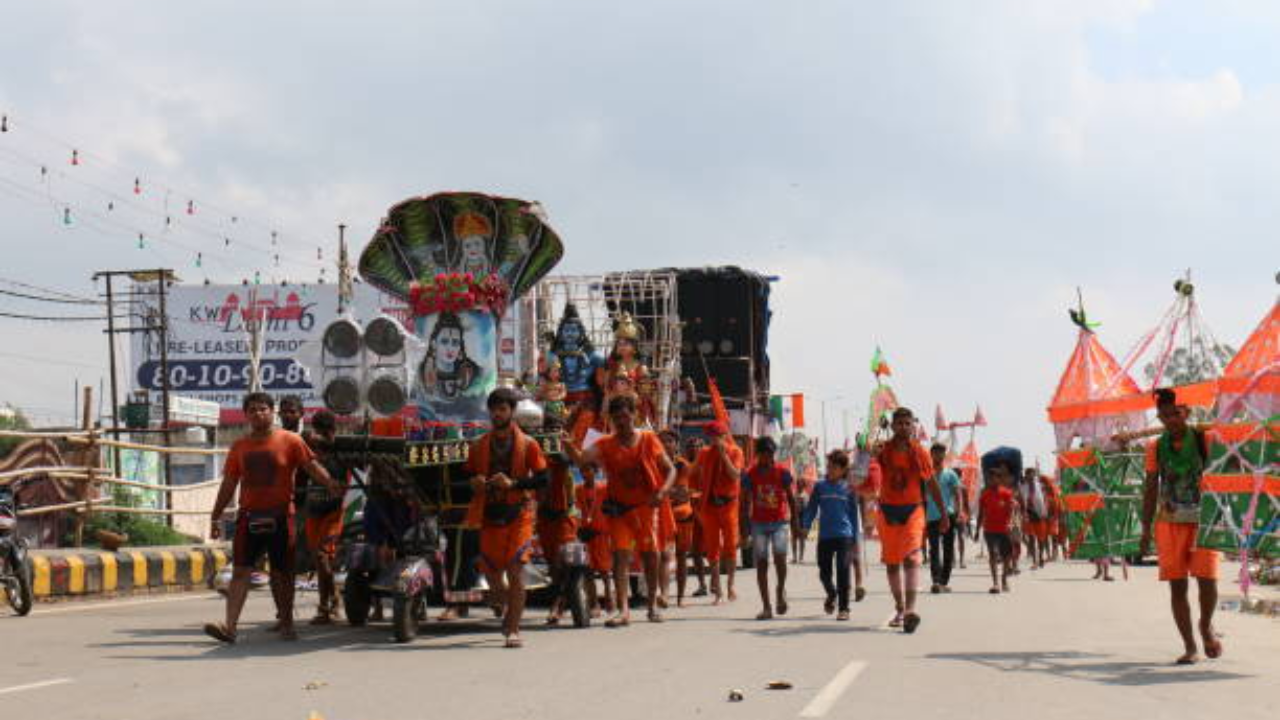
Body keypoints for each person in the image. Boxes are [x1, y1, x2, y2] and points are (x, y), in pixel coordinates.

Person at [204, 392, 340, 643]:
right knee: (241, 572)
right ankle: (230, 627)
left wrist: (330, 483)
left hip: (281, 517)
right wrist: (215, 516)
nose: (258, 413)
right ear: (246, 415)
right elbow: (229, 483)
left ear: (272, 411)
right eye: (253, 410)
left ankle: (287, 623)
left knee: (282, 573)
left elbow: (310, 466)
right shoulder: (239, 446)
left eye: (263, 409)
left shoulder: (290, 440)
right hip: (248, 517)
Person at [577, 394, 677, 626]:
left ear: (634, 414)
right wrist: (569, 444)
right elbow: (582, 459)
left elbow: (670, 469)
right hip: (619, 510)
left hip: (646, 508)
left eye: (625, 415)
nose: (622, 421)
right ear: (611, 419)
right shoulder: (605, 444)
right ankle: (623, 610)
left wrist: (662, 492)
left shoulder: (649, 439)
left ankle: (652, 605)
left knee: (650, 557)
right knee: (620, 557)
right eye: (617, 417)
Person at [1140, 388, 1222, 665]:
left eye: (1175, 414)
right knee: (1178, 587)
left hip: (1204, 520)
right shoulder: (1155, 447)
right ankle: (1189, 646)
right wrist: (1144, 528)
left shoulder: (1205, 438)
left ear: (1185, 413)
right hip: (1169, 522)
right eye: (1164, 416)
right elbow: (1151, 488)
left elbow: (1227, 467)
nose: (1170, 420)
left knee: (1208, 581)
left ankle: (1206, 625)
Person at [463, 387, 550, 648]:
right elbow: (464, 475)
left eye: (502, 409)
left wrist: (514, 484)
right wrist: (474, 482)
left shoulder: (529, 445)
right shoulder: (479, 446)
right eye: (494, 409)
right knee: (491, 575)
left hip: (519, 514)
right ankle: (503, 603)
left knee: (515, 571)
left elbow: (544, 478)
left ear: (512, 412)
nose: (497, 414)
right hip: (489, 514)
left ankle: (513, 629)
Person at [874, 408, 948, 633]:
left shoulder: (920, 453)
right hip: (887, 511)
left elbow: (932, 484)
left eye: (908, 423)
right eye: (900, 423)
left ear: (913, 426)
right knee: (892, 563)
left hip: (913, 511)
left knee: (912, 559)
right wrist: (865, 454)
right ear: (893, 426)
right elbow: (866, 474)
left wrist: (944, 513)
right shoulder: (882, 451)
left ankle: (910, 611)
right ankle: (899, 607)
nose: (904, 427)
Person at [801, 450, 864, 620]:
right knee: (824, 573)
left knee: (843, 571)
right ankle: (831, 593)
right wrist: (806, 525)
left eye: (834, 467)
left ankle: (844, 609)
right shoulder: (820, 487)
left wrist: (855, 538)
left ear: (844, 470)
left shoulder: (849, 489)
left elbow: (853, 514)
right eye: (829, 466)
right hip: (825, 536)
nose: (830, 469)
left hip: (845, 535)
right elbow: (812, 508)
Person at [741, 437, 798, 620]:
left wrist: (795, 523)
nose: (767, 458)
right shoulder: (751, 474)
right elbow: (745, 501)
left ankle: (780, 590)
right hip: (758, 524)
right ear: (758, 455)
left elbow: (791, 498)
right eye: (764, 454)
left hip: (780, 522)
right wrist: (744, 528)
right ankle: (766, 606)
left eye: (770, 454)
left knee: (780, 558)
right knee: (762, 564)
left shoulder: (783, 472)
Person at [301, 410, 350, 625]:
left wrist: (326, 442)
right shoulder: (308, 447)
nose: (321, 436)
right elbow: (303, 435)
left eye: (325, 432)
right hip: (313, 511)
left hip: (333, 511)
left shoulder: (342, 450)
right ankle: (333, 600)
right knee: (320, 561)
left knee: (322, 556)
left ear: (332, 432)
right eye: (319, 431)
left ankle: (326, 606)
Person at [694, 421, 745, 604]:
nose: (713, 439)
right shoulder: (705, 453)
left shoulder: (736, 451)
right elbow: (693, 472)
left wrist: (724, 456)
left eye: (716, 436)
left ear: (724, 435)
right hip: (709, 506)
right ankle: (718, 591)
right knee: (712, 549)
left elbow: (735, 475)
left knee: (730, 547)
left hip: (729, 505)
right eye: (711, 436)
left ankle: (731, 585)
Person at [536, 446, 579, 626]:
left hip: (564, 517)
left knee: (564, 561)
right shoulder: (534, 452)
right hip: (544, 518)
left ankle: (558, 604)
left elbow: (565, 459)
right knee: (552, 564)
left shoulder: (561, 453)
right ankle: (560, 600)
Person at [660, 429, 700, 607]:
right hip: (661, 514)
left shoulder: (682, 465)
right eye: (663, 441)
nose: (666, 444)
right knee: (663, 555)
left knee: (681, 556)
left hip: (681, 514)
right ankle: (664, 594)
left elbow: (683, 493)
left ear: (676, 444)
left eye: (669, 441)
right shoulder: (655, 463)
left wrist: (663, 492)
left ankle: (681, 597)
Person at [975, 447, 1020, 594]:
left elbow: (1013, 509)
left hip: (1005, 529)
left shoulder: (1007, 494)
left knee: (1007, 555)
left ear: (1000, 479)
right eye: (990, 477)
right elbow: (981, 512)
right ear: (988, 479)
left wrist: (1013, 523)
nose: (993, 480)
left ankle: (1004, 579)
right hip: (989, 529)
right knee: (993, 554)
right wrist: (977, 531)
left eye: (996, 477)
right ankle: (995, 583)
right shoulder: (985, 494)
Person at [925, 442, 962, 594]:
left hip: (949, 515)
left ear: (944, 455)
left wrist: (959, 512)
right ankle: (935, 581)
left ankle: (944, 581)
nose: (939, 455)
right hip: (931, 516)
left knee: (948, 549)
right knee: (933, 549)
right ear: (931, 454)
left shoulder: (950, 474)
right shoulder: (926, 473)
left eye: (941, 452)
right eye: (936, 452)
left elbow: (957, 494)